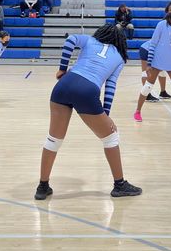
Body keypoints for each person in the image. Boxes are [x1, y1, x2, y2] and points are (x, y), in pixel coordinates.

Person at [34, 24, 142, 200]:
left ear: (101, 33)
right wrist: (105, 114)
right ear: (121, 42)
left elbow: (70, 40)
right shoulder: (120, 58)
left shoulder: (90, 40)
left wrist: (63, 68)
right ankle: (120, 184)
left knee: (53, 140)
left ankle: (42, 186)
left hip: (64, 85)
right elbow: (110, 87)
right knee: (111, 137)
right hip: (87, 90)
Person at [139, 2, 171, 102]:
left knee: (162, 72)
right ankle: (147, 94)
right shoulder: (162, 26)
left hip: (158, 52)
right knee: (146, 72)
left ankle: (162, 92)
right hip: (146, 49)